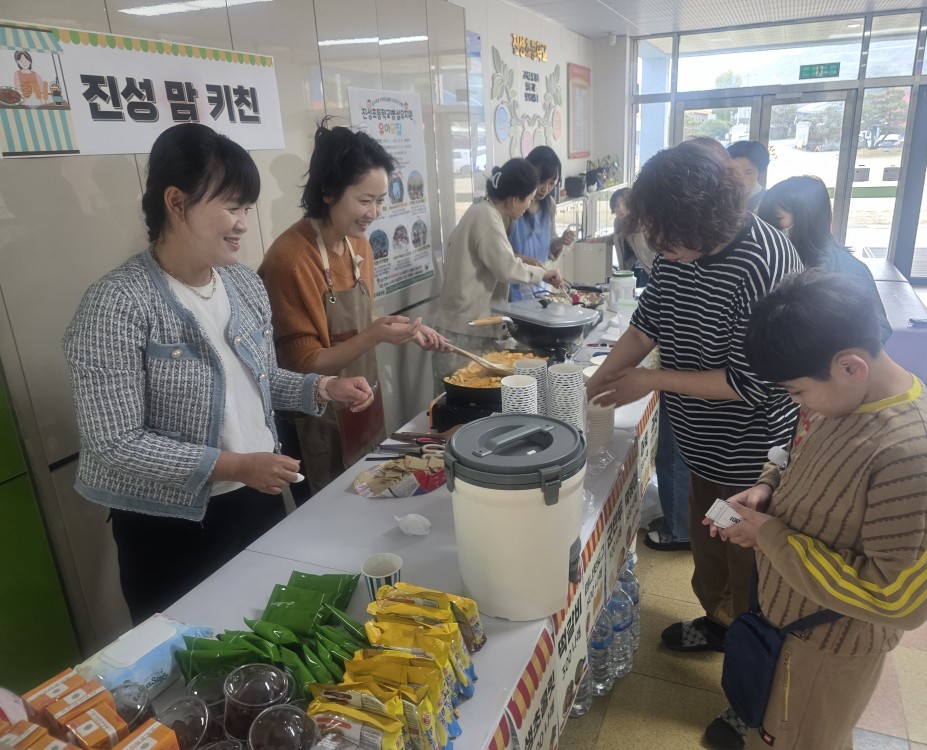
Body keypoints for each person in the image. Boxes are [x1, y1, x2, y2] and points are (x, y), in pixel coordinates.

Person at [63, 123, 374, 625]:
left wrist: (321, 387)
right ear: (176, 202)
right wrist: (234, 465)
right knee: (192, 652)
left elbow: (259, 380)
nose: (243, 224)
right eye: (232, 207)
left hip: (255, 496)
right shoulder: (117, 303)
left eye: (247, 208)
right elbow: (116, 443)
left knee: (270, 632)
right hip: (170, 524)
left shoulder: (242, 285)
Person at [584, 138, 801, 749]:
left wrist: (650, 380)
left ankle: (752, 702)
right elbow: (648, 321)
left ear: (703, 217)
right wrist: (598, 380)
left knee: (755, 573)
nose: (658, 247)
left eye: (665, 235)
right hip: (704, 443)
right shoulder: (680, 246)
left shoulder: (764, 262)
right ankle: (719, 621)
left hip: (751, 456)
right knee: (711, 546)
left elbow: (751, 383)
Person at [715, 269, 927, 749]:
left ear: (851, 366)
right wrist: (768, 486)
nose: (798, 403)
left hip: (827, 649)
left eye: (797, 391)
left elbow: (902, 598)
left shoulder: (909, 452)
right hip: (789, 626)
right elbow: (798, 451)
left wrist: (768, 535)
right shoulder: (841, 396)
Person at [259, 123, 448, 500]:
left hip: (360, 403)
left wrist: (405, 330)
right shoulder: (290, 260)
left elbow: (358, 325)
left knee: (368, 495)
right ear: (328, 192)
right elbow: (302, 363)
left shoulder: (358, 245)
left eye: (380, 200)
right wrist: (375, 334)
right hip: (314, 416)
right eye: (365, 200)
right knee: (329, 513)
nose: (374, 212)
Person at [434, 158, 564, 383]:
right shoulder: (487, 217)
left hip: (463, 326)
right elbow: (506, 269)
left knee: (470, 390)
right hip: (463, 329)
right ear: (514, 200)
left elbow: (494, 259)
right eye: (529, 199)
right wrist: (543, 274)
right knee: (461, 391)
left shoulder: (482, 210)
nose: (528, 207)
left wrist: (521, 259)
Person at [758, 175, 892, 342]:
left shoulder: (846, 270)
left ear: (807, 219)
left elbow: (877, 331)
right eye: (765, 222)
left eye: (777, 220)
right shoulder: (775, 260)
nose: (769, 229)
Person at [509, 146, 576, 301]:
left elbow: (548, 245)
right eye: (541, 181)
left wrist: (560, 241)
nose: (545, 189)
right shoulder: (513, 205)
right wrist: (527, 261)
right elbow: (500, 254)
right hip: (513, 286)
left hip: (540, 284)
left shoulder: (549, 205)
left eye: (551, 183)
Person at [726, 141, 769, 212]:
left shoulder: (771, 201)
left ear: (761, 172)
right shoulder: (720, 198)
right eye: (734, 172)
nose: (740, 179)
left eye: (748, 173)